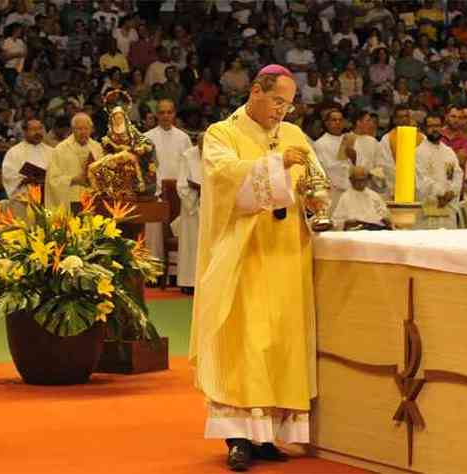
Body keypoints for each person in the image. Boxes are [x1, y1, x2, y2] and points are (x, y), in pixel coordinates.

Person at [189, 65, 325, 472]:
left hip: (286, 253)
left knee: (280, 340)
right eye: (277, 101)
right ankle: (239, 437)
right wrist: (276, 165)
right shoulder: (222, 134)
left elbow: (314, 179)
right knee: (245, 341)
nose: (282, 111)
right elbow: (223, 179)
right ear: (255, 91)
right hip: (243, 254)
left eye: (289, 103)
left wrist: (316, 196)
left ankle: (269, 435)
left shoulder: (295, 134)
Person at [143, 99, 192, 262]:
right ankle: (153, 268)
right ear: (157, 115)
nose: (165, 116)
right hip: (155, 193)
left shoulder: (183, 138)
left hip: (178, 193)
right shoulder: (146, 138)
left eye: (169, 112)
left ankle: (175, 271)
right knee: (153, 231)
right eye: (162, 112)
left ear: (174, 114)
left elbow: (189, 167)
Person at [45, 112, 103, 209]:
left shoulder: (97, 148)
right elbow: (52, 180)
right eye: (79, 129)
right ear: (72, 130)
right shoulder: (61, 149)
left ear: (91, 130)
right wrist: (73, 179)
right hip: (72, 199)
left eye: (86, 129)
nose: (83, 132)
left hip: (93, 198)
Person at [416, 114, 463, 229]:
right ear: (424, 129)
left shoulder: (448, 151)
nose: (434, 129)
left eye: (437, 125)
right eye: (431, 126)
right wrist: (441, 193)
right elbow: (421, 179)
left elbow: (457, 174)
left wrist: (452, 192)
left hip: (448, 207)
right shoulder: (418, 152)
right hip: (428, 209)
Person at [173, 132, 203, 294]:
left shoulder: (215, 154)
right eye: (201, 146)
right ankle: (188, 281)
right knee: (191, 244)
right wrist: (198, 192)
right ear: (197, 144)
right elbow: (182, 185)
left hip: (211, 206)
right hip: (192, 208)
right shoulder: (187, 156)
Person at [2, 119, 51, 200]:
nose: (38, 132)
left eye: (40, 129)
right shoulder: (14, 152)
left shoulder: (51, 151)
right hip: (23, 197)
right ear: (25, 132)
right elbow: (8, 175)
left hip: (47, 196)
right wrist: (26, 179)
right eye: (34, 129)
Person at [332, 166, 392, 230]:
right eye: (358, 180)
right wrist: (346, 223)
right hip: (355, 231)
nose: (361, 183)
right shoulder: (345, 197)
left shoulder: (373, 195)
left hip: (375, 229)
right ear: (351, 180)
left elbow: (385, 214)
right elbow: (336, 221)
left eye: (363, 180)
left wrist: (385, 219)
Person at [313, 108, 347, 207]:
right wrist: (343, 164)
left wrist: (353, 157)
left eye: (340, 120)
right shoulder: (321, 143)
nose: (338, 123)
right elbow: (325, 168)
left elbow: (352, 165)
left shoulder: (347, 139)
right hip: (332, 190)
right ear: (327, 123)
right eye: (334, 120)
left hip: (349, 188)